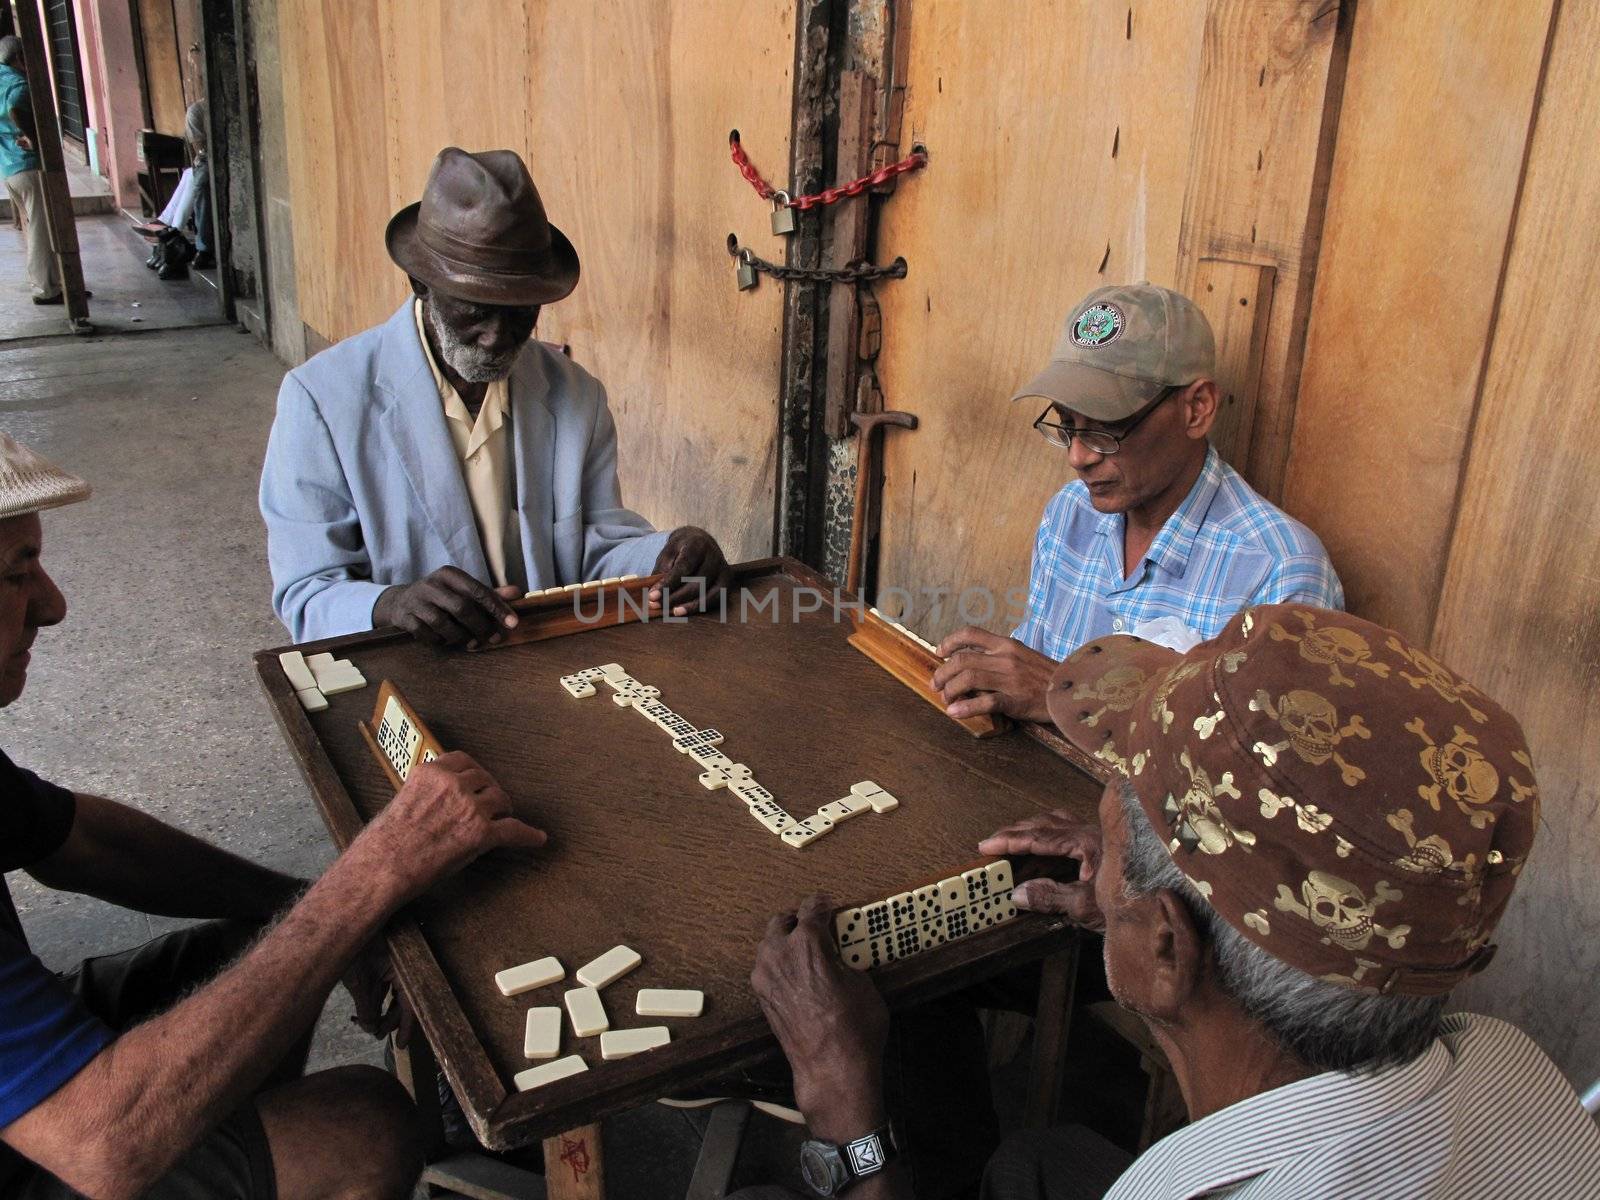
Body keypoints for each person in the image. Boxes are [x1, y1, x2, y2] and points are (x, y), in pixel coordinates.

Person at [744, 602, 1600, 1198]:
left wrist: (842, 1102)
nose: (1100, 862)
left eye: (1112, 846)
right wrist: (1133, 904)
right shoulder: (1515, 1071)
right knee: (1038, 1164)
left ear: (1167, 952)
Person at [0, 433, 549, 1199]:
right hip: (68, 1143)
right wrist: (372, 876)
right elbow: (101, 1146)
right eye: (16, 575)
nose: (54, 607)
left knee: (265, 948)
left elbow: (81, 839)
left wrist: (304, 906)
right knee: (366, 1126)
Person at [260, 147, 731, 645]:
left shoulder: (576, 396)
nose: (497, 337)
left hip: (542, 659)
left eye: (521, 310)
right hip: (411, 668)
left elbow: (594, 550)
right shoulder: (321, 402)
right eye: (475, 309)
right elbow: (306, 594)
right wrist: (389, 604)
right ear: (420, 282)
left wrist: (668, 552)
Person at [931, 283, 1341, 725]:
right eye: (1067, 424)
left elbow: (1259, 774)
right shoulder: (1070, 514)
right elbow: (1030, 679)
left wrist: (1068, 694)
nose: (1078, 457)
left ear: (1197, 409)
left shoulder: (1279, 572)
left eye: (1107, 428)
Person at [0, 35, 60, 305]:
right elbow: (15, 109)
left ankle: (52, 283)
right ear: (20, 58)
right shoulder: (18, 83)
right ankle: (46, 289)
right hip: (28, 166)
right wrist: (33, 138)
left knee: (35, 229)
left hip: (9, 167)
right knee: (41, 230)